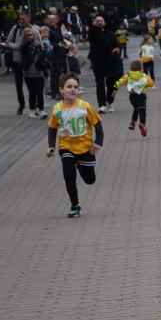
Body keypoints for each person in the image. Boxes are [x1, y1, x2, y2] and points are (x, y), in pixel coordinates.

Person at [46, 73, 103, 218]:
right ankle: (75, 205)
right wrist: (51, 146)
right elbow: (52, 129)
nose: (72, 89)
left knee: (90, 180)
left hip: (85, 147)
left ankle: (80, 165)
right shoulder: (57, 109)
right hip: (66, 146)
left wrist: (98, 142)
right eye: (69, 87)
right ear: (61, 90)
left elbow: (98, 125)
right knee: (69, 176)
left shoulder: (85, 107)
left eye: (75, 87)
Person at [114, 58, 153, 136]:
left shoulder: (128, 76)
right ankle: (142, 124)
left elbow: (120, 81)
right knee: (142, 110)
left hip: (132, 97)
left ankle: (132, 122)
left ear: (130, 68)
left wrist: (115, 89)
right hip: (141, 95)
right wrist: (146, 84)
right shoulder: (144, 76)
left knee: (136, 108)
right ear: (141, 68)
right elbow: (151, 83)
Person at [87, 16, 117, 113]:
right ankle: (102, 104)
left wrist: (117, 49)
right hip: (97, 61)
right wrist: (93, 27)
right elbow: (90, 38)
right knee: (100, 83)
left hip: (109, 61)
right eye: (97, 21)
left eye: (101, 21)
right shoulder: (93, 33)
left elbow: (115, 44)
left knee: (110, 83)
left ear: (104, 22)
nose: (99, 22)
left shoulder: (110, 34)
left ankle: (110, 101)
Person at [19, 27, 47, 119]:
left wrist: (45, 50)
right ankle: (32, 110)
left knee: (40, 92)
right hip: (29, 73)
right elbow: (23, 48)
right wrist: (28, 41)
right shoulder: (24, 45)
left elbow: (42, 56)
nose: (30, 37)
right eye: (27, 35)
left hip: (38, 72)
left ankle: (41, 110)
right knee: (32, 92)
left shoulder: (38, 44)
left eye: (31, 35)